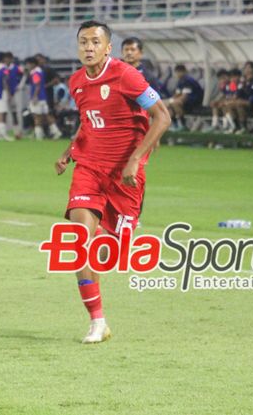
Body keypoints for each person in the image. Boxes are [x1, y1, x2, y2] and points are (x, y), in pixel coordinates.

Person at [55, 21, 170, 344]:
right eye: (83, 42)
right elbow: (88, 123)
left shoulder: (126, 76)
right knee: (79, 239)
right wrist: (68, 152)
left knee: (110, 252)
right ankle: (97, 321)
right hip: (89, 169)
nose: (88, 47)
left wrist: (135, 159)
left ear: (108, 48)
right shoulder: (77, 82)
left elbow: (163, 117)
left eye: (95, 42)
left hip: (123, 175)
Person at [26, 56, 58, 140]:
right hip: (42, 97)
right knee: (46, 115)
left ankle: (39, 135)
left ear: (33, 64)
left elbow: (37, 85)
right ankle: (56, 131)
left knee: (37, 116)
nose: (27, 66)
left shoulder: (35, 73)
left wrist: (35, 97)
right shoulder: (39, 71)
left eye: (28, 64)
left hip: (38, 98)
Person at [167, 64, 203, 131]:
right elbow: (177, 94)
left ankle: (183, 125)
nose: (177, 74)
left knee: (175, 104)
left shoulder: (188, 80)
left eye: (179, 72)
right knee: (169, 105)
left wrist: (174, 101)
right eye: (177, 72)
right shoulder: (180, 80)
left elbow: (185, 96)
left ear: (183, 72)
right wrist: (170, 100)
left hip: (194, 101)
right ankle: (175, 125)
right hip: (187, 100)